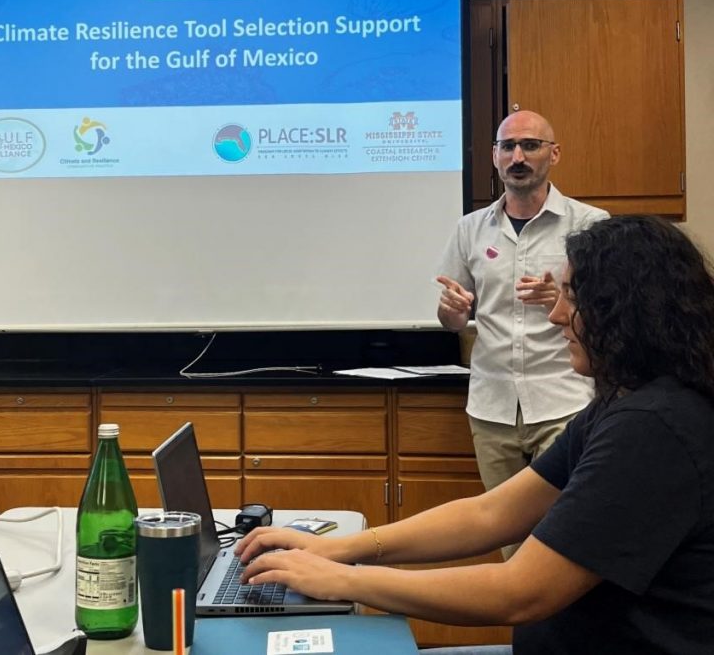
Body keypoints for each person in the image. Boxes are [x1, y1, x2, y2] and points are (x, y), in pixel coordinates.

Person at [237, 216, 714, 654]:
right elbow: (491, 514)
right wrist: (340, 548)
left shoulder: (654, 429)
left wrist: (343, 579)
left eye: (573, 297)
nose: (556, 315)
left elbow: (518, 593)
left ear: (625, 311)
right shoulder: (629, 402)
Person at [436, 110, 608, 514]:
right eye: (508, 146)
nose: (518, 157)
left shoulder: (591, 225)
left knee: (568, 524)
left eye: (530, 145)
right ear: (495, 156)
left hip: (563, 403)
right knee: (504, 525)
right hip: (491, 407)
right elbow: (453, 320)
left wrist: (561, 302)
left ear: (555, 154)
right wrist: (453, 311)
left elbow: (608, 317)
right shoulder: (470, 229)